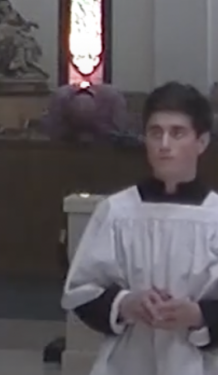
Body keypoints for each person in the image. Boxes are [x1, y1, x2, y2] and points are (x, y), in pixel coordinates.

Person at [63, 82, 218, 374]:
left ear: (202, 142)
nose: (164, 144)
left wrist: (198, 315)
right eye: (155, 132)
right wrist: (126, 304)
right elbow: (82, 291)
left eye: (177, 133)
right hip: (126, 363)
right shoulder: (118, 211)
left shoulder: (214, 217)